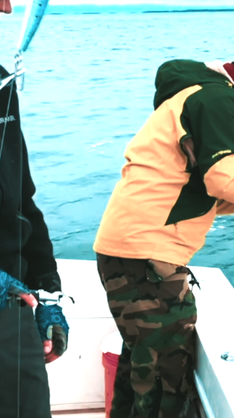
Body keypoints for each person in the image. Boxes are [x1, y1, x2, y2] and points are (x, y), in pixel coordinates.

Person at [93, 37, 234, 417]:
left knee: (141, 371)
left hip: (132, 250)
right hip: (146, 256)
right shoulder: (220, 99)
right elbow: (225, 178)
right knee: (164, 383)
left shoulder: (204, 95)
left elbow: (205, 191)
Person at [0, 1, 69, 417]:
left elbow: (22, 202)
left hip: (12, 306)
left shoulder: (3, 88)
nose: (8, 8)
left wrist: (47, 291)